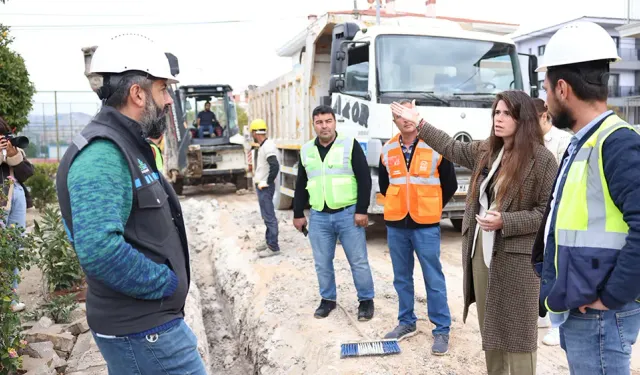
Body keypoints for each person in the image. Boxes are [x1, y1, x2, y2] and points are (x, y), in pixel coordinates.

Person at [56, 34, 207, 375]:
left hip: (148, 329)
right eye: (163, 90)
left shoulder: (127, 145)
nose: (169, 100)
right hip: (145, 332)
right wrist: (165, 284)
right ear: (138, 93)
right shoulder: (103, 155)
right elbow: (98, 248)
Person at [391, 91, 557, 375]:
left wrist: (507, 220)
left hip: (518, 259)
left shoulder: (543, 160)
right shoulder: (488, 151)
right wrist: (419, 122)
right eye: (497, 112)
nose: (499, 119)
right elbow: (451, 147)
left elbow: (546, 212)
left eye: (507, 113)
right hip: (481, 250)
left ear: (524, 119)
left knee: (518, 333)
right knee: (490, 325)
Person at [531, 21, 640, 375]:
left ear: (562, 88)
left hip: (600, 313)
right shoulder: (584, 141)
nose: (546, 101)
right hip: (583, 304)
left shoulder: (616, 142)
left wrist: (610, 297)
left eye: (546, 90)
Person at [379, 100, 458, 355]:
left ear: (416, 116)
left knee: (433, 278)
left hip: (425, 225)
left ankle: (442, 329)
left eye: (408, 114)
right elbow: (385, 186)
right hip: (396, 223)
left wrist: (432, 206)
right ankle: (406, 322)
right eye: (399, 115)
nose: (405, 119)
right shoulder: (387, 149)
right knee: (401, 277)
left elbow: (450, 184)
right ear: (394, 120)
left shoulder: (435, 146)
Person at [293, 105, 375, 321]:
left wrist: (361, 210)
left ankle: (366, 301)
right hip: (319, 215)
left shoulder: (349, 144)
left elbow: (364, 178)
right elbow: (301, 183)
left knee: (358, 260)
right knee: (322, 261)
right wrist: (298, 213)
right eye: (319, 122)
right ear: (314, 125)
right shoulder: (306, 150)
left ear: (334, 122)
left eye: (328, 121)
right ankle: (327, 300)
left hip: (348, 214)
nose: (324, 126)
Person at [531, 97, 570, 347]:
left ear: (546, 117)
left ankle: (559, 324)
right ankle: (543, 314)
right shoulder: (532, 143)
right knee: (540, 267)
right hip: (539, 211)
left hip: (560, 212)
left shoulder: (564, 141)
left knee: (557, 267)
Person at [0, 116, 34, 313]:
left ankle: (11, 299)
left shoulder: (13, 151)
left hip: (16, 196)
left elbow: (27, 173)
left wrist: (11, 152)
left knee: (14, 249)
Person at [250, 118, 281, 258]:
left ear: (255, 133)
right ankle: (269, 241)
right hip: (263, 185)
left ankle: (273, 247)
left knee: (269, 216)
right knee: (266, 215)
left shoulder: (267, 146)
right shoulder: (264, 146)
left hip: (265, 187)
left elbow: (274, 165)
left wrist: (267, 181)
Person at [533, 98, 571, 165]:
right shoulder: (528, 139)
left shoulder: (563, 139)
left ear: (544, 117)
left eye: (531, 121)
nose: (527, 126)